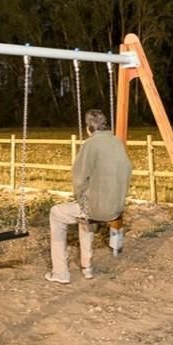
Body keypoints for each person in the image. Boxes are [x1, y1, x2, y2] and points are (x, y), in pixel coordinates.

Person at [45, 108, 132, 284]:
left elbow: (78, 177)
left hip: (97, 209)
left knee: (57, 213)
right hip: (117, 208)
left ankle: (60, 272)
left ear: (88, 128)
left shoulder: (90, 144)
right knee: (84, 216)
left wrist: (80, 195)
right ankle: (87, 267)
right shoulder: (116, 142)